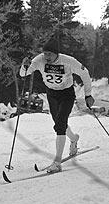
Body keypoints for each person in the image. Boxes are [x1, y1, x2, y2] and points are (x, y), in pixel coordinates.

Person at [19, 33, 94, 173]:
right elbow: (24, 74)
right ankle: (74, 139)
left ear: (56, 54)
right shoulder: (39, 60)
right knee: (59, 123)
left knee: (60, 123)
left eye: (49, 54)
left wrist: (88, 94)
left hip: (67, 94)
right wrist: (24, 66)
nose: (46, 57)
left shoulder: (68, 61)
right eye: (44, 53)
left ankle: (57, 162)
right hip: (52, 94)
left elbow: (85, 73)